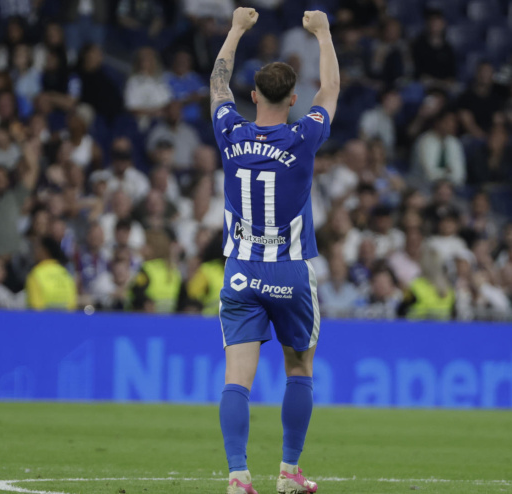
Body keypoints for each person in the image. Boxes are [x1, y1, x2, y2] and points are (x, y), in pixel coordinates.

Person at [211, 8, 337, 494]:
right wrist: (323, 34)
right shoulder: (303, 136)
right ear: (292, 99)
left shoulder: (229, 130)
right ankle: (288, 473)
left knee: (236, 378)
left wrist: (237, 29)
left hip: (241, 270)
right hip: (288, 272)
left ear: (254, 95)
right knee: (299, 368)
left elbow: (217, 85)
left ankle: (238, 476)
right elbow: (331, 90)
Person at [26, 236, 77, 310]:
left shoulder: (35, 275)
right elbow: (72, 305)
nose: (34, 252)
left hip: (43, 320)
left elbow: (36, 309)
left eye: (36, 248)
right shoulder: (65, 274)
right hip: (65, 320)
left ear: (45, 251)